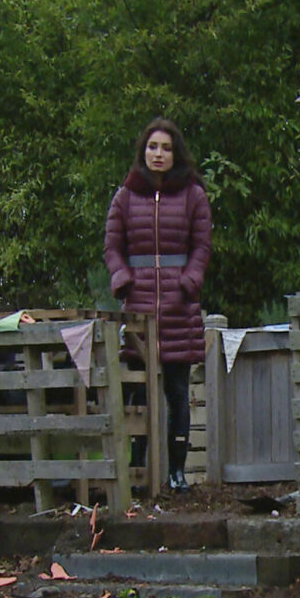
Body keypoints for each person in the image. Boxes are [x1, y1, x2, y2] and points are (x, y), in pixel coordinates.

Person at [104, 117, 212, 492]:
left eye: (166, 148)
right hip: (139, 308)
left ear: (175, 152)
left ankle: (177, 472)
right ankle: (138, 471)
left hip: (179, 307)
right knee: (138, 394)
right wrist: (122, 280)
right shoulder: (124, 196)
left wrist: (189, 282)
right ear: (143, 152)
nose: (159, 154)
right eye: (153, 147)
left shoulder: (194, 195)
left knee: (178, 393)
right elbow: (112, 248)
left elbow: (202, 247)